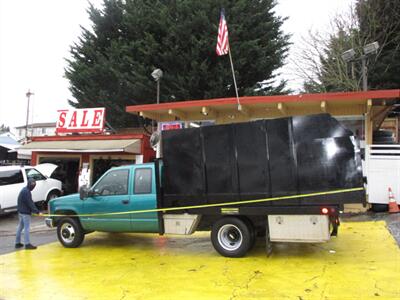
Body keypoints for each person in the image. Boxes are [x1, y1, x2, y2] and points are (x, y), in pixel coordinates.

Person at [15, 178, 42, 250]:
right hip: (25, 213)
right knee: (26, 228)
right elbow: (30, 203)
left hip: (20, 212)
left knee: (20, 227)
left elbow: (28, 202)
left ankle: (17, 243)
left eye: (34, 185)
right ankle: (27, 244)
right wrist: (37, 212)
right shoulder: (27, 192)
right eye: (32, 186)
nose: (33, 187)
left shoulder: (24, 190)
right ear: (29, 185)